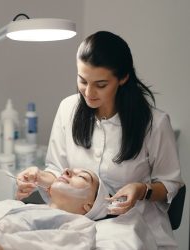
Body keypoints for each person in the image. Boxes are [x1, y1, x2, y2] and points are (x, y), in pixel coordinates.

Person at [16, 31, 183, 249]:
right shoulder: (68, 109)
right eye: (82, 80)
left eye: (101, 84)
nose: (88, 92)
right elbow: (58, 169)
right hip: (78, 224)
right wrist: (38, 177)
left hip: (135, 229)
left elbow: (170, 184)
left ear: (123, 78)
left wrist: (142, 190)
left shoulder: (154, 123)